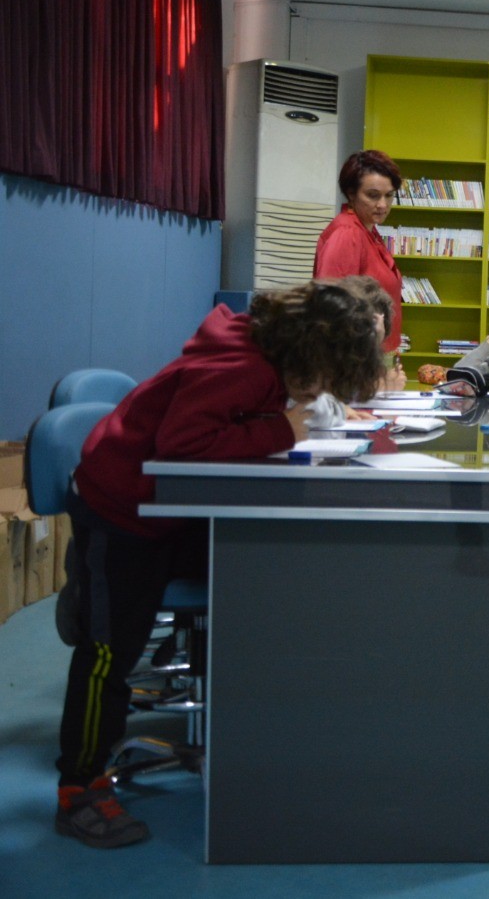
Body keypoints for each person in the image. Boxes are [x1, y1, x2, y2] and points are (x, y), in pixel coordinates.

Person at [55, 281, 388, 848]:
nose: (324, 388)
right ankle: (79, 789)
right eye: (329, 374)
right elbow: (181, 444)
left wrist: (290, 419)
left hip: (171, 509)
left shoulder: (266, 355)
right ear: (313, 349)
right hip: (122, 512)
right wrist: (283, 428)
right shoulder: (245, 365)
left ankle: (249, 723)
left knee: (262, 568)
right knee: (108, 653)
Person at [313, 149, 407, 389]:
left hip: (371, 356)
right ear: (351, 193)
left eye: (389, 195)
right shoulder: (348, 233)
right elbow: (333, 310)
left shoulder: (368, 231)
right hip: (354, 363)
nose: (382, 205)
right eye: (373, 195)